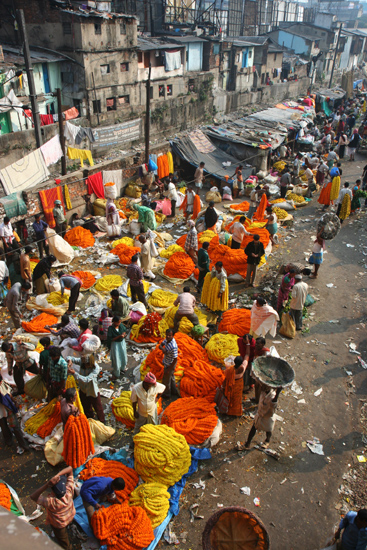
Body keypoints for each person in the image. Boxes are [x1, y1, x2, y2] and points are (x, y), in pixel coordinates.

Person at [30, 466, 75, 550]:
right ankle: (68, 527)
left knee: (64, 541)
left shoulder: (52, 502)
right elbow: (70, 469)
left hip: (59, 524)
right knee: (67, 525)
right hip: (70, 515)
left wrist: (47, 485)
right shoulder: (69, 492)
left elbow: (33, 496)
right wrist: (58, 475)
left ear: (53, 491)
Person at [242, 385, 282, 449]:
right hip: (260, 414)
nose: (262, 387)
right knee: (254, 427)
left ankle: (267, 440)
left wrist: (278, 393)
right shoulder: (263, 392)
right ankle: (247, 443)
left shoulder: (272, 396)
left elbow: (274, 403)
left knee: (268, 430)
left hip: (267, 417)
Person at [67, 355, 105, 423]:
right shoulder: (82, 361)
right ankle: (90, 418)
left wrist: (75, 373)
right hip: (83, 388)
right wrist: (69, 361)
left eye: (87, 364)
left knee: (98, 406)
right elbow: (70, 358)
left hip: (92, 389)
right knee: (85, 405)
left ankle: (102, 421)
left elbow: (86, 379)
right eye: (85, 364)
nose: (86, 365)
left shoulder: (96, 368)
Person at [0, 374, 30, 452]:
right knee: (4, 426)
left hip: (8, 409)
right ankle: (8, 440)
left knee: (15, 426)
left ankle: (23, 444)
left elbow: (8, 393)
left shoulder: (2, 384)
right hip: (1, 411)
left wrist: (14, 402)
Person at [107, 316, 127, 381]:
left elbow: (124, 330)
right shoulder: (110, 329)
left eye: (120, 322)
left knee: (123, 355)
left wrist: (124, 334)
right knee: (116, 358)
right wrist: (119, 336)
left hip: (122, 343)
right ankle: (117, 373)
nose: (119, 323)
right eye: (117, 322)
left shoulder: (121, 325)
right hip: (115, 344)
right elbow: (110, 339)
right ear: (114, 322)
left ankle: (122, 368)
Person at [160, 329, 178, 398]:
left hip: (170, 364)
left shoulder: (173, 346)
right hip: (167, 362)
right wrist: (163, 349)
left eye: (169, 335)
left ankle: (167, 394)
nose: (167, 336)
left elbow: (175, 359)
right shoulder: (167, 340)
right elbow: (160, 345)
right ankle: (174, 391)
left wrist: (168, 369)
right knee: (171, 377)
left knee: (166, 381)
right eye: (167, 335)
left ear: (173, 336)